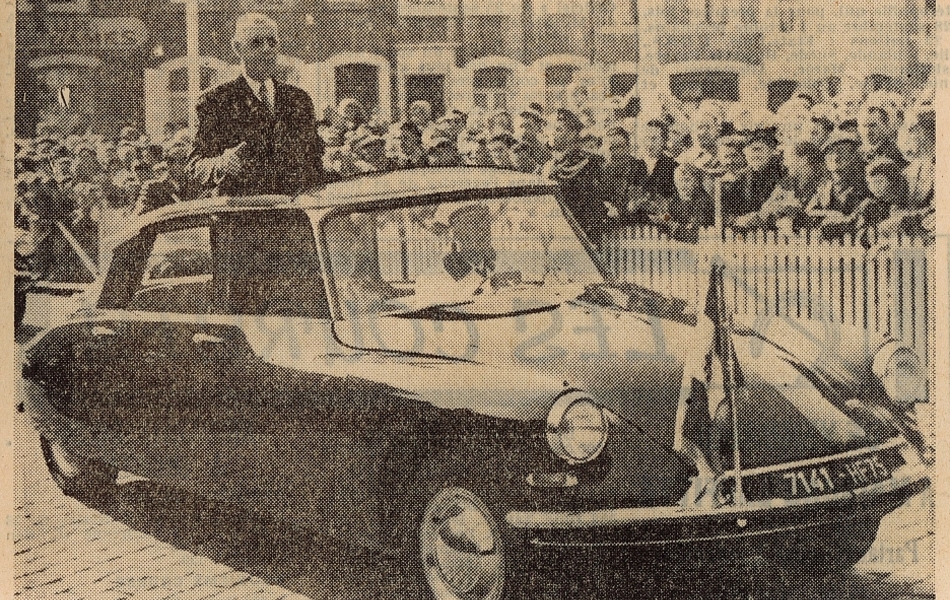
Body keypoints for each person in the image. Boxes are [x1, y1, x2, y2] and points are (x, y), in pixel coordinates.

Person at [189, 12, 325, 197]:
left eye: (272, 42)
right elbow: (194, 166)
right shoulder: (215, 101)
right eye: (256, 42)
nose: (267, 49)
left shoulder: (299, 99)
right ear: (238, 48)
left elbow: (314, 160)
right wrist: (220, 164)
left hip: (293, 218)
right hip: (241, 218)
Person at [541, 108, 607, 248]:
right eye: (551, 128)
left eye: (558, 129)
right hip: (552, 239)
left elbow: (595, 209)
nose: (551, 133)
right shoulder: (547, 166)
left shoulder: (589, 164)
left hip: (580, 240)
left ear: (572, 134)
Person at [807, 131, 870, 238]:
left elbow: (859, 218)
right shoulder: (824, 187)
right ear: (825, 160)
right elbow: (808, 211)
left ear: (852, 157)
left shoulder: (863, 185)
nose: (835, 157)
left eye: (841, 151)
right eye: (830, 152)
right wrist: (832, 214)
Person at [721, 128, 785, 225]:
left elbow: (787, 206)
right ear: (745, 153)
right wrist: (737, 220)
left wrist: (760, 217)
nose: (755, 154)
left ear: (772, 151)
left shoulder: (783, 175)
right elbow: (724, 212)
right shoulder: (740, 179)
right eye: (751, 148)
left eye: (760, 149)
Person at [602, 126, 648, 226]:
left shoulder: (638, 166)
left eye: (619, 146)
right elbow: (602, 197)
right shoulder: (605, 169)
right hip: (610, 224)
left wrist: (618, 211)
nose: (615, 152)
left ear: (628, 147)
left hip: (634, 224)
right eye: (611, 147)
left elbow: (637, 200)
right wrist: (607, 206)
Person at [641, 118, 678, 202]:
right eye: (647, 138)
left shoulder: (673, 167)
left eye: (654, 139)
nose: (649, 144)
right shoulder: (636, 166)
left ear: (664, 141)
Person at [861, 105, 908, 170]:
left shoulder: (892, 154)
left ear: (886, 127)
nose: (868, 131)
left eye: (873, 125)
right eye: (866, 126)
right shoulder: (868, 154)